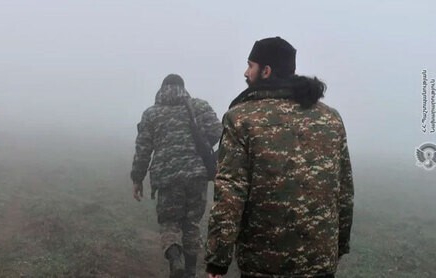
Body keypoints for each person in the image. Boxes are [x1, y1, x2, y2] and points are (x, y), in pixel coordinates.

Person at [205, 37, 354, 278]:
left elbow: (230, 193)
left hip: (265, 264)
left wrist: (217, 260)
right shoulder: (330, 118)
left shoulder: (241, 118)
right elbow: (344, 190)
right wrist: (338, 246)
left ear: (266, 71)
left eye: (250, 65)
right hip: (319, 261)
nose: (246, 72)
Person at [131, 74, 222, 278]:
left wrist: (137, 179)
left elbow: (143, 150)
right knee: (192, 225)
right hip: (197, 175)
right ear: (183, 88)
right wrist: (201, 143)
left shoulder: (151, 114)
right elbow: (219, 131)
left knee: (169, 222)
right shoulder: (199, 106)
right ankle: (190, 273)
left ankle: (174, 258)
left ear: (162, 89)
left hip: (167, 178)